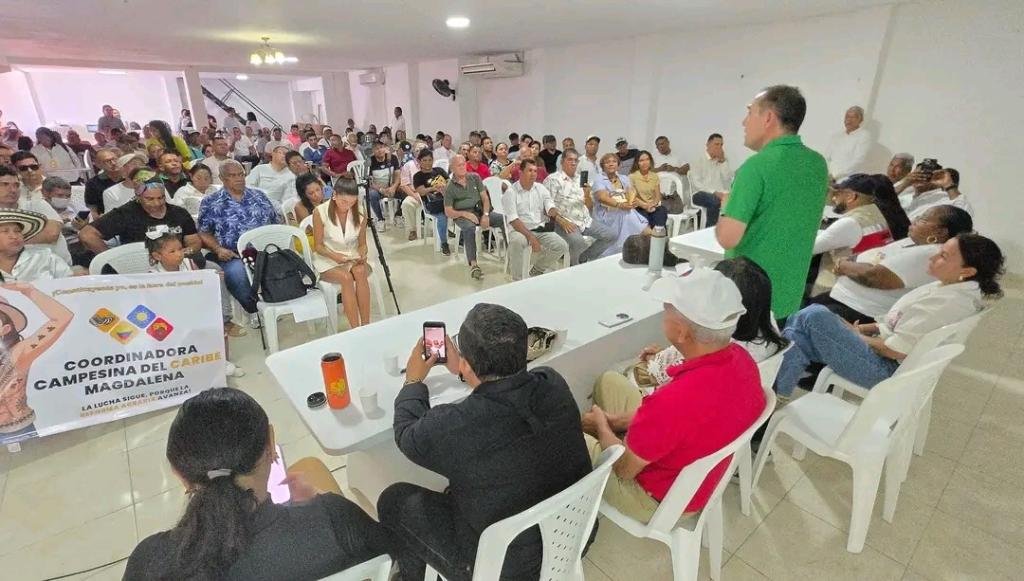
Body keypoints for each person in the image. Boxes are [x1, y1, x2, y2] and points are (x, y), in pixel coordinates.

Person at [378, 303, 591, 580]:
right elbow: (506, 395)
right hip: (574, 536)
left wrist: (413, 381)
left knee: (394, 499)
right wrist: (466, 370)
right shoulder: (552, 382)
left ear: (467, 362)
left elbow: (407, 435)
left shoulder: (458, 423)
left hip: (504, 568)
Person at [123, 387, 391, 580]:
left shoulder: (148, 562)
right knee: (311, 467)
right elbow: (392, 559)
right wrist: (318, 508)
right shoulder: (333, 519)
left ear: (179, 474)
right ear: (271, 443)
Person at [582, 267, 765, 523]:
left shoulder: (675, 400)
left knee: (575, 439)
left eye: (666, 311)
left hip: (659, 499)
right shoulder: (742, 360)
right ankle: (621, 437)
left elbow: (624, 470)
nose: (663, 315)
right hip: (695, 471)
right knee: (609, 382)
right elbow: (668, 417)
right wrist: (615, 422)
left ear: (680, 332)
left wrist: (602, 426)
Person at [777, 233, 1004, 400]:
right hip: (887, 356)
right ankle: (776, 398)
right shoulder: (948, 287)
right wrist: (861, 329)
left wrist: (854, 334)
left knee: (812, 315)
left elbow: (895, 350)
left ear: (967, 272)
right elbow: (894, 323)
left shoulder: (949, 302)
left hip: (886, 371)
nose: (933, 257)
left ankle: (773, 399)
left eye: (943, 256)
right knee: (798, 337)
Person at [716, 85, 828, 320]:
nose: (744, 122)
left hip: (748, 297)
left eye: (749, 113)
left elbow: (728, 237)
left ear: (768, 118)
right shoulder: (817, 164)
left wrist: (726, 205)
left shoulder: (756, 167)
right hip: (789, 293)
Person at [619, 258, 787, 393]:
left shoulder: (721, 350)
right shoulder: (766, 323)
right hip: (739, 406)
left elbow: (670, 379)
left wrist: (660, 361)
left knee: (617, 376)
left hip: (685, 403)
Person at [813, 205, 974, 323]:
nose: (915, 220)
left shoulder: (932, 253)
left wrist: (843, 265)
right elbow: (869, 258)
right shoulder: (913, 241)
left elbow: (873, 276)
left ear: (940, 232)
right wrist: (850, 264)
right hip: (842, 297)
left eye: (923, 219)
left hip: (856, 310)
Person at [146, 228, 248, 360]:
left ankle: (222, 362)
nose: (179, 254)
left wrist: (213, 279)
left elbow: (201, 283)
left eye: (180, 249)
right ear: (157, 256)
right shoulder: (152, 276)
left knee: (218, 331)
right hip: (171, 318)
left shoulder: (189, 263)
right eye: (172, 251)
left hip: (196, 311)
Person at [197, 160, 279, 322]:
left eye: (241, 174)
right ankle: (255, 311)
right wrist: (218, 249)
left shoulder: (259, 196)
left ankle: (275, 304)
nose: (239, 178)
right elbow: (203, 232)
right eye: (233, 175)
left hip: (263, 250)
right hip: (232, 254)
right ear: (222, 178)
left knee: (283, 265)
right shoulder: (211, 202)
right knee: (237, 274)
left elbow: (276, 223)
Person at [0, 276, 74, 445]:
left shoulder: (17, 353)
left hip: (16, 432)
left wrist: (29, 291)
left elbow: (62, 317)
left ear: (5, 328)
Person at [82, 179, 201, 256]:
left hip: (177, 260)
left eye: (161, 198)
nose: (156, 203)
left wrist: (183, 253)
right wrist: (110, 257)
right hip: (139, 264)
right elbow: (87, 234)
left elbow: (194, 242)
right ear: (138, 197)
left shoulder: (179, 213)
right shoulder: (125, 213)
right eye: (150, 199)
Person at [312, 178, 371, 330]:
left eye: (352, 202)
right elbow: (318, 246)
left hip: (350, 255)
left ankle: (366, 325)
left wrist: (363, 254)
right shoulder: (320, 212)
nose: (348, 206)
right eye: (344, 201)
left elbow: (362, 243)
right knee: (346, 278)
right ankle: (355, 329)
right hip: (327, 258)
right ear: (334, 195)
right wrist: (335, 257)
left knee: (360, 271)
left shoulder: (360, 211)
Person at [544, 148, 616, 265]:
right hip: (564, 221)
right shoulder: (553, 179)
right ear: (562, 161)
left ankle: (584, 258)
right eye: (570, 159)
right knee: (578, 242)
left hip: (585, 221)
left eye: (575, 160)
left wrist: (587, 194)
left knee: (611, 235)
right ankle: (575, 267)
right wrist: (562, 221)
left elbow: (589, 207)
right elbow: (546, 206)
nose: (573, 163)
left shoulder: (581, 179)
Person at [501, 158, 571, 279]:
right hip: (519, 230)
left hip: (539, 228)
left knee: (561, 246)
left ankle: (537, 270)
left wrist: (552, 210)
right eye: (530, 170)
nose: (533, 174)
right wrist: (531, 237)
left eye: (535, 171)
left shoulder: (540, 188)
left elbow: (548, 203)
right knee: (517, 241)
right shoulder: (511, 192)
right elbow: (514, 221)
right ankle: (517, 279)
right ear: (521, 172)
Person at [444, 154, 504, 280]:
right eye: (459, 165)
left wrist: (486, 215)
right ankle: (473, 264)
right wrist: (464, 214)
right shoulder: (450, 186)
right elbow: (448, 211)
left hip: (480, 211)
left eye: (463, 164)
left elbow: (485, 198)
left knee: (503, 219)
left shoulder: (474, 177)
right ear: (452, 168)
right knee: (469, 228)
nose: (462, 167)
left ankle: (512, 253)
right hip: (462, 214)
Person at [813, 174, 897, 260]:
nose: (833, 199)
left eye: (838, 194)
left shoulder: (850, 223)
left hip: (850, 267)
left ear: (850, 196)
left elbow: (809, 248)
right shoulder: (878, 212)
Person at [3, 161, 68, 263]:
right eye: (5, 185)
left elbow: (51, 233)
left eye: (16, 185)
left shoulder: (36, 204)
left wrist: (8, 243)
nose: (13, 190)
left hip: (56, 265)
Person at [592, 153, 650, 257]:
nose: (611, 164)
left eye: (614, 162)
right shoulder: (598, 179)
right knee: (627, 214)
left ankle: (637, 241)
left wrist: (640, 203)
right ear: (603, 166)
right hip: (606, 213)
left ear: (618, 165)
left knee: (628, 213)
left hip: (625, 210)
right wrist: (620, 205)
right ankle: (642, 235)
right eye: (607, 162)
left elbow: (631, 193)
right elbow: (602, 197)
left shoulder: (624, 178)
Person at [0, 207, 72, 282]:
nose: (14, 236)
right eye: (5, 231)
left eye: (17, 231)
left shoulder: (46, 257)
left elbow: (71, 282)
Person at [41, 177, 92, 268]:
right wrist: (59, 223)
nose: (65, 199)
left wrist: (83, 226)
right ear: (46, 194)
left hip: (80, 244)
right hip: (56, 248)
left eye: (68, 196)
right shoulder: (40, 209)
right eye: (60, 196)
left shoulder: (75, 206)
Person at [689, 133, 734, 227]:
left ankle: (728, 230)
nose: (719, 147)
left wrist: (723, 162)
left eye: (721, 145)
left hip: (720, 192)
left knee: (738, 199)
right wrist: (714, 192)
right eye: (716, 144)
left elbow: (728, 179)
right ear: (708, 144)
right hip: (699, 193)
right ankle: (710, 231)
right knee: (714, 201)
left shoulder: (723, 160)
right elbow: (696, 183)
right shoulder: (698, 159)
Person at [413, 149, 451, 255]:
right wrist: (434, 188)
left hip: (447, 199)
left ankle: (461, 236)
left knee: (462, 208)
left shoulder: (439, 170)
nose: (427, 163)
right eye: (424, 160)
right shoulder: (418, 176)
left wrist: (444, 187)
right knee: (442, 217)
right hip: (432, 204)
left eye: (430, 160)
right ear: (419, 161)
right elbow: (421, 191)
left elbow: (449, 181)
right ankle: (444, 243)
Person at [825, 106, 871, 181]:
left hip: (848, 180)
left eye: (852, 117)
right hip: (828, 177)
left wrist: (836, 176)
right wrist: (827, 174)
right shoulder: (836, 136)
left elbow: (858, 162)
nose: (848, 120)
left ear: (860, 120)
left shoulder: (864, 136)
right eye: (847, 117)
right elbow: (827, 157)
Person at [629, 151, 668, 228]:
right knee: (643, 218)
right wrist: (645, 206)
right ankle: (648, 234)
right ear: (637, 163)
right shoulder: (632, 177)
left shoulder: (654, 176)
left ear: (650, 161)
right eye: (641, 160)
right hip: (638, 207)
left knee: (661, 212)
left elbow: (657, 196)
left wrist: (652, 205)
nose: (645, 163)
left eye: (647, 159)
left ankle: (659, 233)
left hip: (652, 206)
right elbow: (633, 197)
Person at [366, 142, 400, 223]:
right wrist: (381, 190)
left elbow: (398, 176)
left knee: (404, 190)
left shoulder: (393, 158)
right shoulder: (370, 161)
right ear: (373, 151)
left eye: (381, 147)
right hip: (378, 189)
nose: (380, 150)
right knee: (372, 194)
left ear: (385, 148)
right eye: (376, 149)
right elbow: (370, 182)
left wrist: (393, 187)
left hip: (392, 187)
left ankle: (398, 215)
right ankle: (380, 219)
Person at [83, 146, 122, 215]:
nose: (113, 163)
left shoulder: (129, 176)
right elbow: (93, 208)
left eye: (115, 159)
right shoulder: (92, 183)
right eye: (108, 161)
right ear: (99, 165)